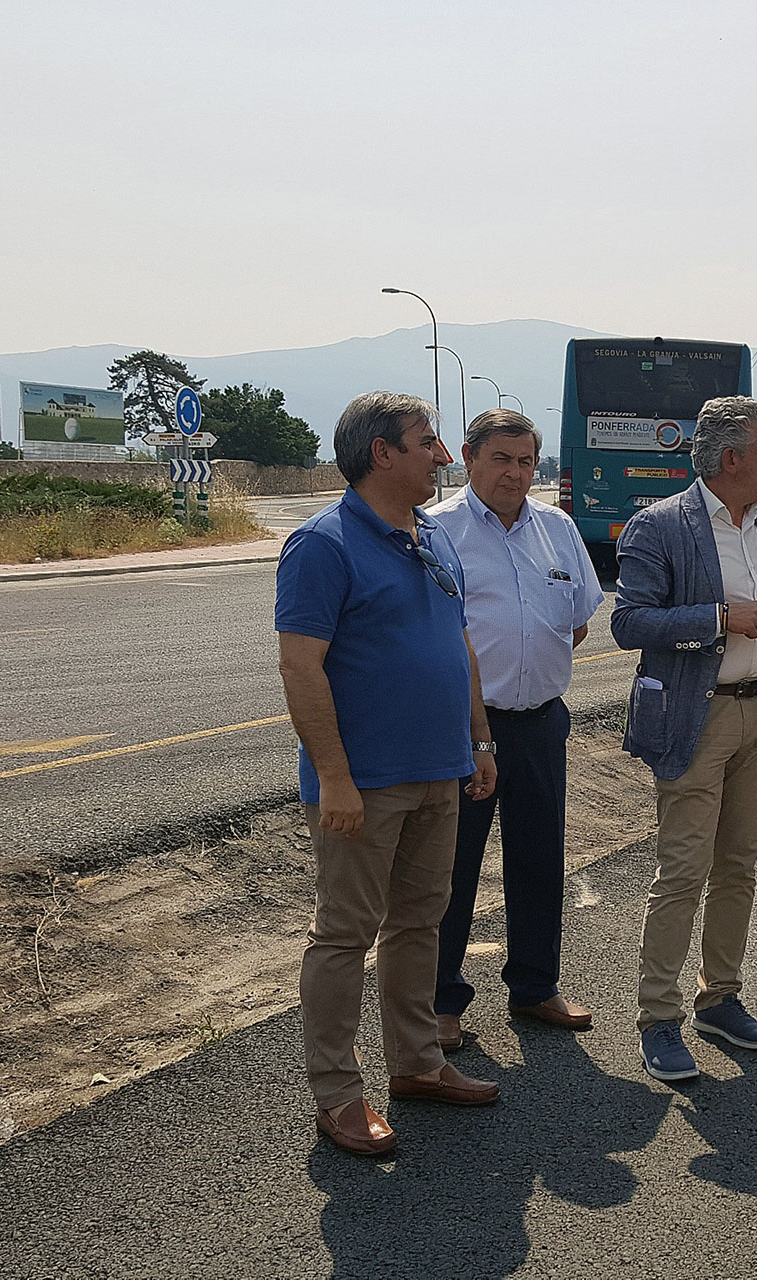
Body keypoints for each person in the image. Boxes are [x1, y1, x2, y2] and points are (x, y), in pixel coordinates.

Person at [275, 391, 502, 1157]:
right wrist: (333, 777)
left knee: (420, 921)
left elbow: (457, 642)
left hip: (440, 767)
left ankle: (417, 1063)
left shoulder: (430, 535)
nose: (440, 455)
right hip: (364, 782)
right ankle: (338, 1095)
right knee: (344, 934)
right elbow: (300, 667)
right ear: (382, 453)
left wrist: (479, 739)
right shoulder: (322, 545)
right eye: (426, 441)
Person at [610, 396, 757, 1081]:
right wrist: (720, 618)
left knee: (739, 865)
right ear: (731, 459)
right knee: (683, 870)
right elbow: (629, 623)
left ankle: (720, 997)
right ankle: (658, 1018)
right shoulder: (659, 526)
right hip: (697, 719)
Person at [427, 409, 604, 1049]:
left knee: (539, 859)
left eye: (526, 461)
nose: (515, 473)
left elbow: (578, 620)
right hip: (461, 728)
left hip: (540, 724)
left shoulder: (558, 529)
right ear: (469, 457)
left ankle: (535, 987)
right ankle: (440, 1002)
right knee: (451, 868)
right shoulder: (436, 530)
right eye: (501, 458)